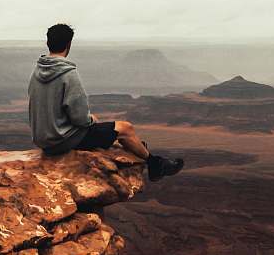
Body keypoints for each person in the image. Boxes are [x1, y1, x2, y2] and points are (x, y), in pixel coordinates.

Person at [27, 22, 183, 182]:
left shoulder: (37, 72)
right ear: (69, 44)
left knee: (102, 128)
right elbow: (79, 118)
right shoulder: (68, 74)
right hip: (63, 141)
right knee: (125, 128)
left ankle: (139, 151)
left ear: (48, 43)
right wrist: (90, 120)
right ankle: (156, 164)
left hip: (44, 140)